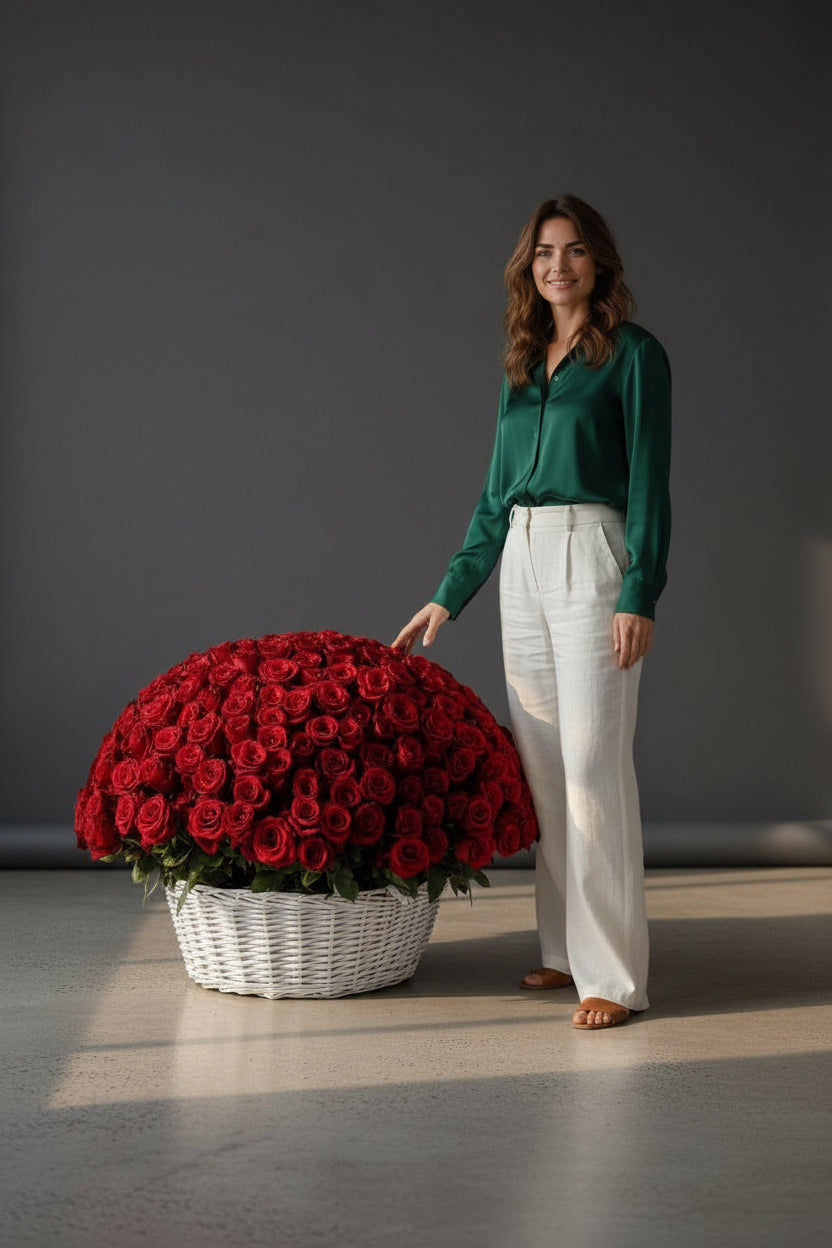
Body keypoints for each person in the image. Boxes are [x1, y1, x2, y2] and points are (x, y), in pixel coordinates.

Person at [391, 193, 671, 1030]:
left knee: (593, 773)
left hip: (594, 555)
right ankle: (562, 951)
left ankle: (613, 978)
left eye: (575, 251)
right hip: (521, 559)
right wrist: (450, 592)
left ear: (600, 262)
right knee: (546, 767)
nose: (559, 265)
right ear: (530, 268)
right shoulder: (522, 362)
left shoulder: (634, 355)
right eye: (545, 252)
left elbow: (652, 484)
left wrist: (639, 591)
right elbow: (493, 497)